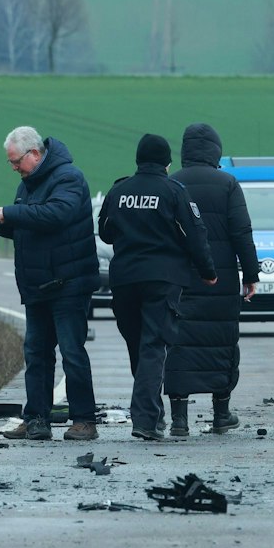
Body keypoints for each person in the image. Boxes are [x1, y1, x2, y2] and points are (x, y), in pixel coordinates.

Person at [95, 133, 216, 442]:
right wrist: (208, 271)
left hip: (123, 281)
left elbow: (105, 234)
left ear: (138, 159)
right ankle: (147, 419)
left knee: (138, 346)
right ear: (167, 162)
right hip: (163, 280)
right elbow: (195, 234)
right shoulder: (174, 191)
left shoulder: (118, 191)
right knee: (152, 346)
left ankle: (151, 414)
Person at [0, 126, 100, 442]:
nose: (14, 168)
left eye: (16, 161)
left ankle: (84, 420)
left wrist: (11, 213)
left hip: (69, 283)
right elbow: (30, 225)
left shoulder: (68, 178)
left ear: (34, 153)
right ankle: (36, 419)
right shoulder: (27, 185)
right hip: (37, 286)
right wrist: (1, 226)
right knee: (36, 354)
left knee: (71, 352)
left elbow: (56, 215)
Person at [166, 123, 260, 437]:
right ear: (215, 151)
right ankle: (221, 412)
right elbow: (241, 233)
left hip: (180, 279)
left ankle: (179, 419)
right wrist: (251, 275)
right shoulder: (228, 183)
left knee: (179, 344)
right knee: (221, 341)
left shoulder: (172, 182)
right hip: (221, 279)